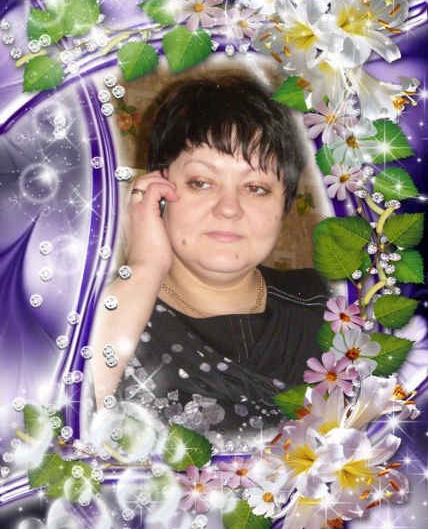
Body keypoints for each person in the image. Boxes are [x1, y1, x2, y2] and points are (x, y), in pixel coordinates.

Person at [91, 74, 329, 442]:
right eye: (202, 182)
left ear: (284, 204)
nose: (229, 208)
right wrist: (145, 266)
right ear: (159, 190)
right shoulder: (99, 316)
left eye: (256, 187)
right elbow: (63, 428)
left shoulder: (332, 306)